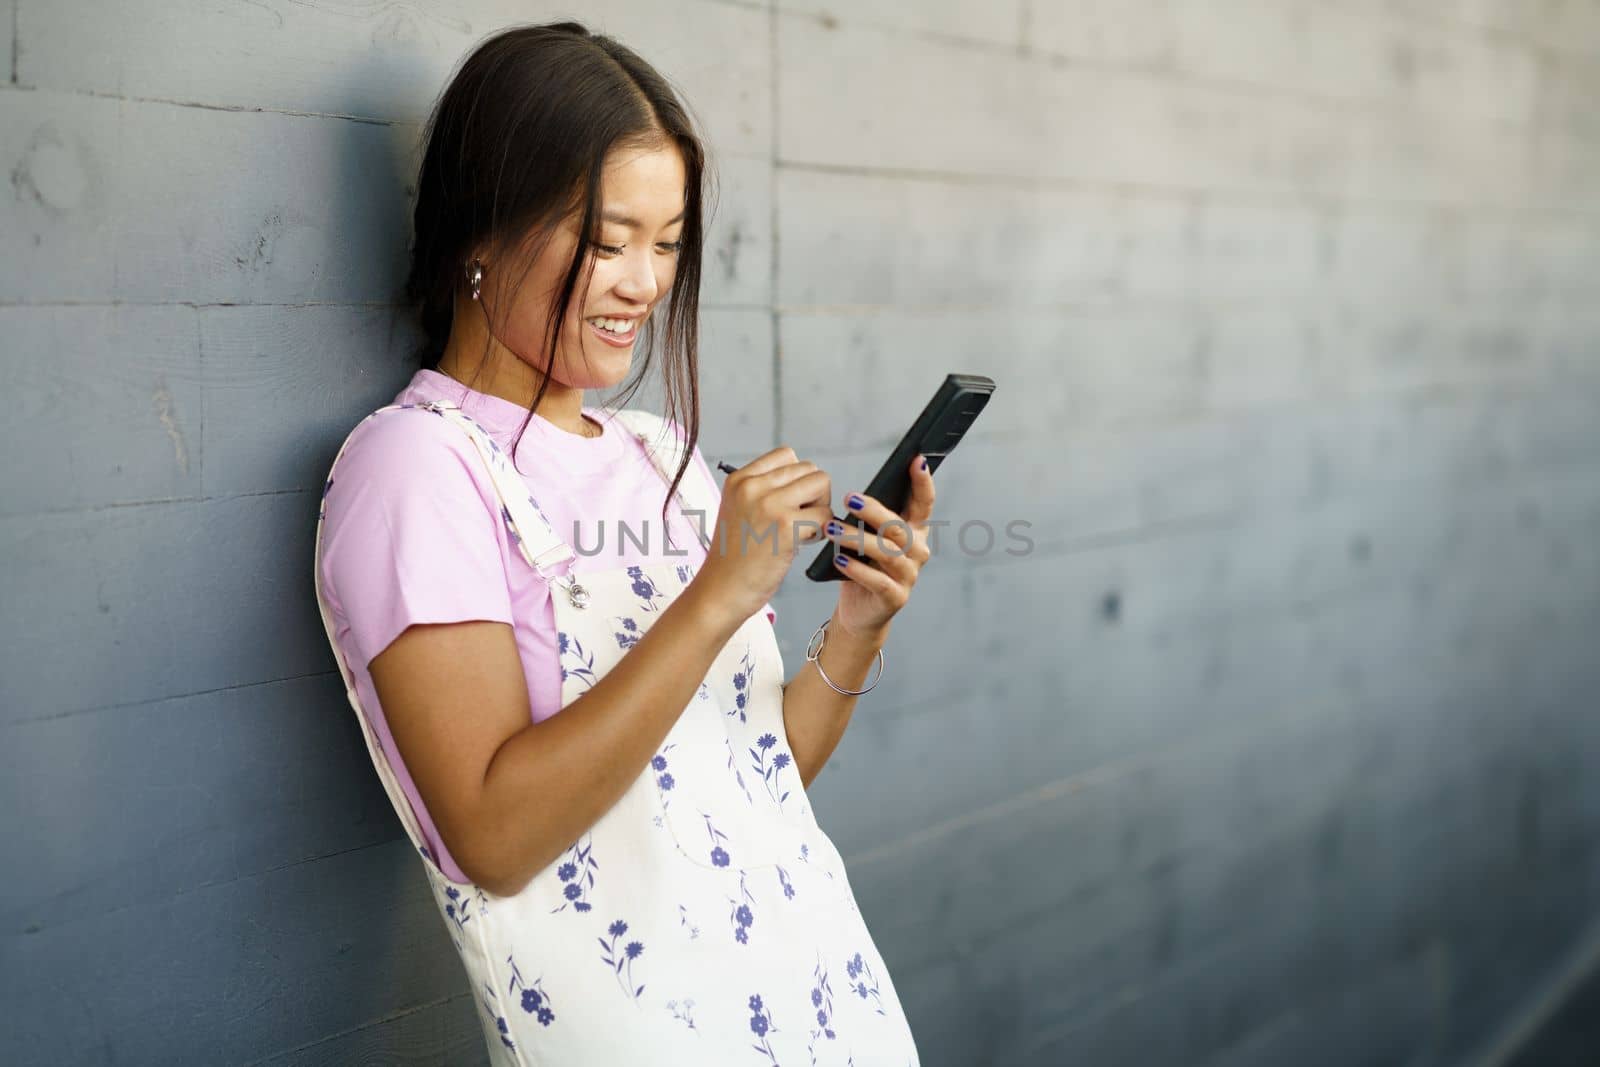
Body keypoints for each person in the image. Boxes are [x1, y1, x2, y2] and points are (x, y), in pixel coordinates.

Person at [313, 21, 933, 1065]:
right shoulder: (416, 471)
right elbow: (493, 836)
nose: (645, 283)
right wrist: (713, 598)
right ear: (478, 230)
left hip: (831, 1009)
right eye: (606, 241)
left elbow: (750, 777)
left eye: (669, 241)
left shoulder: (663, 459)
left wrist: (858, 625)